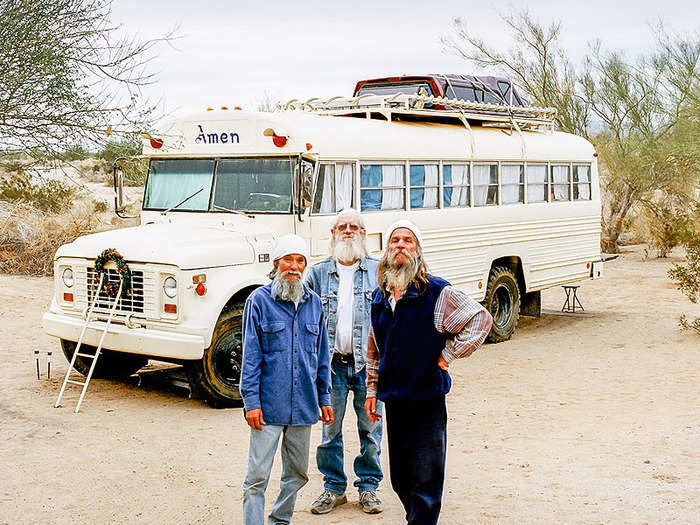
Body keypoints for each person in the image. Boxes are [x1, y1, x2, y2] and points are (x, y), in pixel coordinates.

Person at [364, 220, 493, 525]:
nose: (400, 246)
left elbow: (480, 319)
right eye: (395, 240)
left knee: (426, 480)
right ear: (386, 250)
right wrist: (372, 389)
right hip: (395, 399)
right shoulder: (380, 298)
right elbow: (374, 347)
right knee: (401, 479)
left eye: (408, 241)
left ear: (418, 251)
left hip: (426, 399)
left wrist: (448, 355)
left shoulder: (438, 293)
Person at [240, 234, 334, 525]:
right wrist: (251, 402)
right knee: (257, 477)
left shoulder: (315, 304)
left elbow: (321, 356)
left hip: (304, 405)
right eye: (288, 260)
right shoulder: (258, 302)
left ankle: (280, 520)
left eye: (300, 261)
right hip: (267, 407)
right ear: (276, 263)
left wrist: (325, 398)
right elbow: (251, 357)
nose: (294, 267)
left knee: (298, 473)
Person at [306, 208, 383, 515]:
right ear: (333, 233)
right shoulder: (317, 273)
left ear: (364, 234)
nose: (349, 231)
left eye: (355, 227)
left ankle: (368, 488)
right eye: (343, 226)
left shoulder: (379, 271)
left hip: (369, 368)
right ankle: (333, 488)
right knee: (329, 431)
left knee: (371, 430)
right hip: (331, 365)